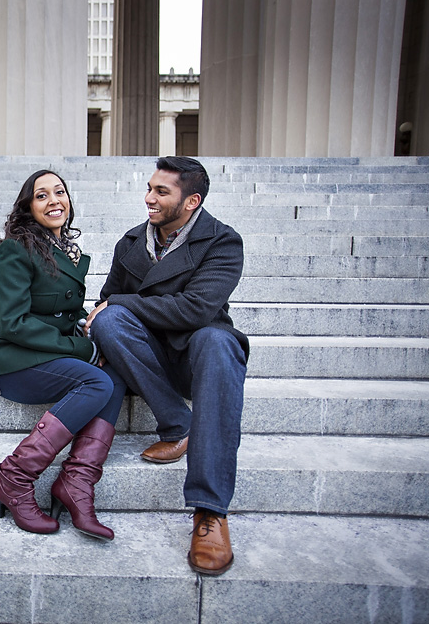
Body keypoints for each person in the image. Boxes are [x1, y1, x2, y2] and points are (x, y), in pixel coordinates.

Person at [85, 156, 248, 575]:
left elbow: (196, 309)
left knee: (217, 338)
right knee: (109, 319)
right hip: (147, 362)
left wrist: (122, 302)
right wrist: (113, 315)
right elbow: (106, 301)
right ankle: (179, 423)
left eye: (161, 192)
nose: (149, 198)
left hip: (198, 360)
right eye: (149, 188)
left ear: (191, 201)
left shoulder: (223, 243)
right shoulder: (131, 242)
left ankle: (210, 512)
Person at [0, 169, 127, 540]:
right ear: (28, 206)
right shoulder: (16, 249)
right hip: (6, 359)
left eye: (60, 192)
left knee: (113, 373)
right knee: (95, 380)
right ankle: (15, 477)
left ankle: (77, 483)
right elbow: (11, 322)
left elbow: (60, 311)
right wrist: (79, 346)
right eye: (41, 195)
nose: (54, 201)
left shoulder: (67, 251)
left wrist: (90, 320)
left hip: (39, 354)